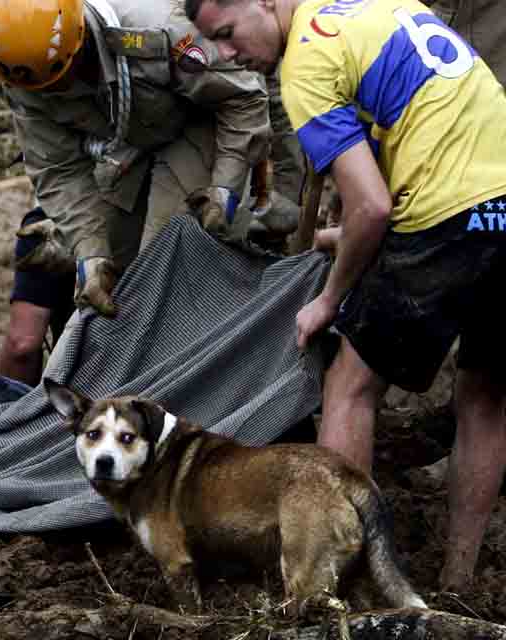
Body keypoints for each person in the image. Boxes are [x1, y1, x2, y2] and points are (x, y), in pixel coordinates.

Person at [185, 0, 506, 592]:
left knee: (349, 383)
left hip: (449, 213)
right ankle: (459, 579)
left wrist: (327, 299)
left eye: (226, 34)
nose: (227, 55)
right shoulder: (376, 5)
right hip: (500, 206)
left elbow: (373, 206)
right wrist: (342, 237)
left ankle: (334, 580)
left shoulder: (306, 59)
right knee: (483, 395)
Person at [0, 0, 297, 319]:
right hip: (131, 141)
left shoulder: (158, 28)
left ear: (82, 41)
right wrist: (91, 253)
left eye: (63, 79)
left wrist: (225, 191)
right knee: (109, 285)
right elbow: (58, 170)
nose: (57, 93)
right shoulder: (25, 77)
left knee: (161, 273)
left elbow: (243, 97)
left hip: (204, 120)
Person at [0, 206, 76, 386]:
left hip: (79, 397)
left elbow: (22, 345)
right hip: (147, 391)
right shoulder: (150, 228)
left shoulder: (49, 226)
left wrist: (10, 409)